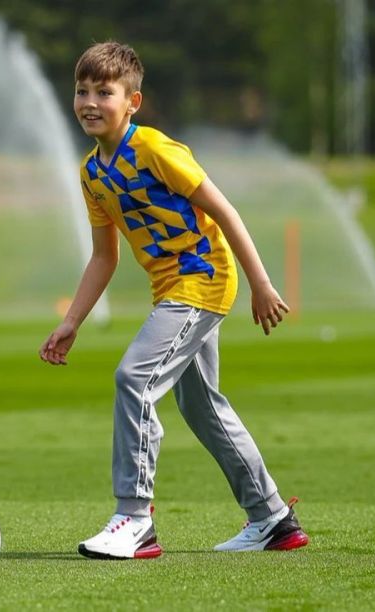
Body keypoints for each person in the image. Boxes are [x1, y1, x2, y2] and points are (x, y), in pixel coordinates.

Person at [39, 41, 308, 559]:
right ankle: (272, 517)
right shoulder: (92, 173)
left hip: (202, 281)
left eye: (105, 92)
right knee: (201, 406)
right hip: (172, 290)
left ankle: (134, 519)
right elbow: (103, 258)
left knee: (134, 379)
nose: (90, 102)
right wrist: (71, 321)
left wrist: (262, 283)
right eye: (81, 91)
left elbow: (226, 213)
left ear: (133, 102)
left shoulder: (158, 151)